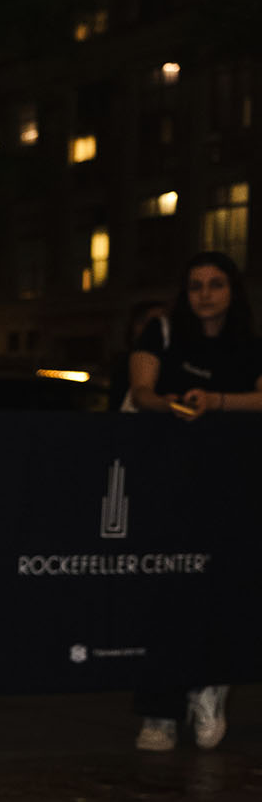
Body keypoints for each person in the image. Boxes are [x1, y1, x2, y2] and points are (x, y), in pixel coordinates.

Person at [127, 249, 261, 754]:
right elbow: (142, 392)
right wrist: (173, 404)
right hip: (167, 482)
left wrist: (218, 402)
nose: (205, 294)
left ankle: (209, 687)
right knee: (165, 593)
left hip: (231, 486)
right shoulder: (161, 333)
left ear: (233, 291)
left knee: (222, 591)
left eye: (216, 284)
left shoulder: (249, 345)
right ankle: (158, 710)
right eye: (196, 285)